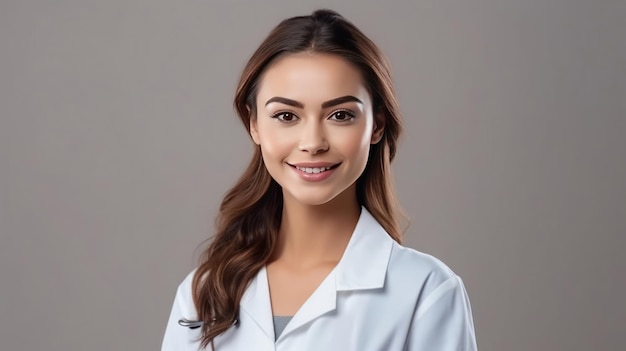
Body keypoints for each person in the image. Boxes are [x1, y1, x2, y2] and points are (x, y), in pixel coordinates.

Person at [162, 9, 477, 351]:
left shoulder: (425, 292)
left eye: (340, 115)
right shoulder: (203, 292)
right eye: (286, 116)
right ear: (254, 124)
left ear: (377, 125)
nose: (312, 142)